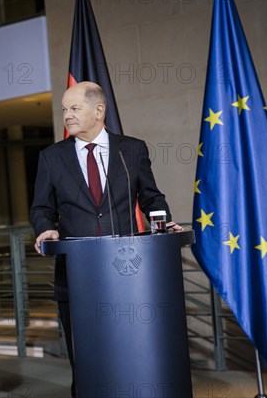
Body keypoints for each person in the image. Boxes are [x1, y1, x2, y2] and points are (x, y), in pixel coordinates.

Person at [30, 81, 182, 397]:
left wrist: (163, 222)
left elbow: (152, 198)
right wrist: (45, 229)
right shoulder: (51, 157)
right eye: (64, 110)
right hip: (76, 277)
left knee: (131, 352)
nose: (67, 116)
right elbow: (41, 208)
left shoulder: (132, 150)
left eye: (74, 108)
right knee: (87, 361)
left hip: (130, 276)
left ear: (99, 110)